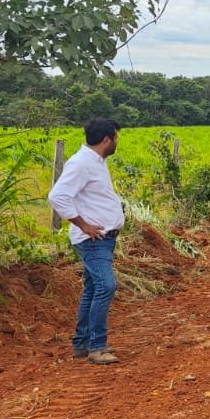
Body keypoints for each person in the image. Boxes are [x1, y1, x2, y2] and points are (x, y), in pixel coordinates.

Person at [47, 119, 126, 365]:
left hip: (102, 239)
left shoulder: (96, 162)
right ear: (106, 140)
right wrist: (83, 225)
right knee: (106, 286)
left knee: (93, 289)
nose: (116, 142)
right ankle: (97, 347)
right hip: (93, 240)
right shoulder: (82, 163)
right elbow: (57, 196)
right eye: (115, 138)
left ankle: (81, 344)